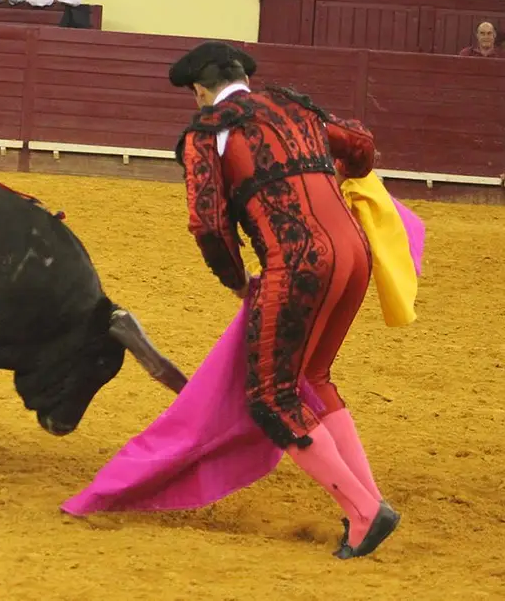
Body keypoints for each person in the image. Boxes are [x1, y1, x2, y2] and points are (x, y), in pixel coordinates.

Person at [168, 41, 399, 560]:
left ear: (199, 92)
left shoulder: (209, 130)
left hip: (298, 263)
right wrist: (338, 175)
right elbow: (361, 145)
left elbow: (208, 222)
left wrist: (233, 278)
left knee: (271, 397)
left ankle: (365, 512)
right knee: (314, 378)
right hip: (356, 255)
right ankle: (369, 501)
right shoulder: (297, 107)